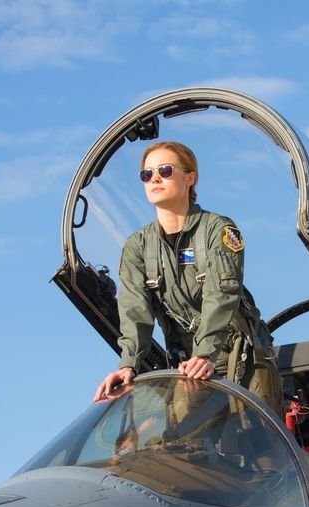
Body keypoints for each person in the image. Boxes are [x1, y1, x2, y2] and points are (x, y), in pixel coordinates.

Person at [93, 141, 281, 414]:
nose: (154, 178)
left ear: (190, 178)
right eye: (147, 174)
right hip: (187, 365)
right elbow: (135, 311)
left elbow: (221, 295)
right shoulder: (138, 246)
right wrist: (128, 365)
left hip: (240, 355)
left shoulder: (218, 230)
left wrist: (204, 354)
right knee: (183, 449)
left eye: (165, 170)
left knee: (259, 447)